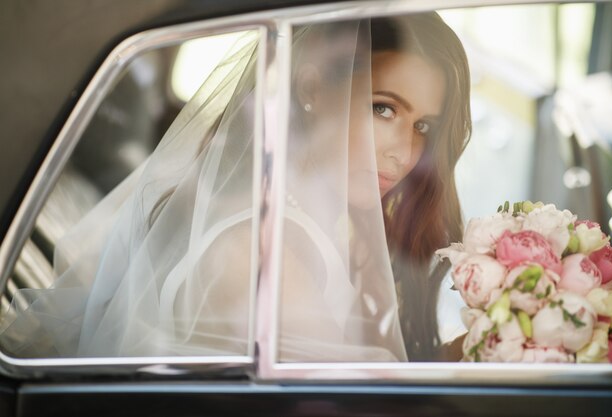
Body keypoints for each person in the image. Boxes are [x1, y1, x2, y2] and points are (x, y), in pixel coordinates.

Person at [0, 12, 470, 362]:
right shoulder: (261, 258)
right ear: (310, 89)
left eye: (423, 126)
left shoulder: (302, 224)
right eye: (383, 109)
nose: (404, 153)